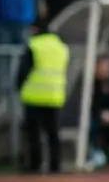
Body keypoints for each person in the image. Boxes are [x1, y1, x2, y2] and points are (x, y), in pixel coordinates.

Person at [17, 24, 70, 173]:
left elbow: (23, 71)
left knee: (33, 133)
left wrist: (19, 87)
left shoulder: (34, 45)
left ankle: (35, 164)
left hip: (34, 95)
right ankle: (55, 164)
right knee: (53, 132)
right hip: (54, 95)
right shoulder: (61, 47)